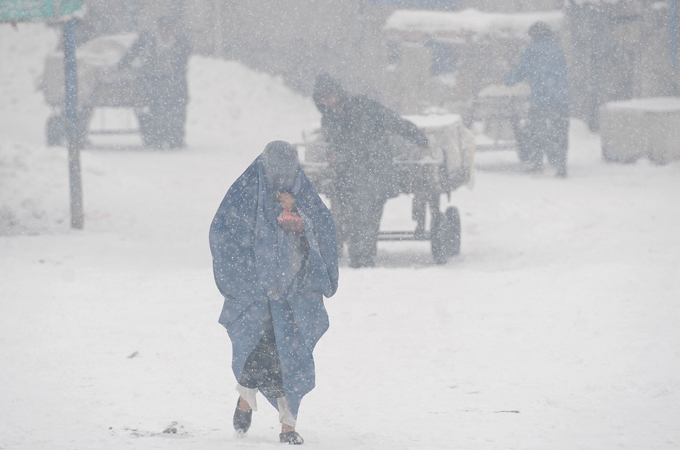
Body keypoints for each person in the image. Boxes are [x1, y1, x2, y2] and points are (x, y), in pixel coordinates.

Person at [209, 141, 339, 445]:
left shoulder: (301, 192)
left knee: (290, 356)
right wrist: (248, 272)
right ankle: (250, 399)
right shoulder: (244, 192)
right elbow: (223, 233)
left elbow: (324, 228)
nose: (282, 176)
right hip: (255, 294)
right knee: (261, 351)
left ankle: (285, 423)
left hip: (295, 293)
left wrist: (298, 215)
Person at [312, 74, 428, 267]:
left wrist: (418, 137)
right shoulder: (328, 119)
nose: (327, 101)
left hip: (375, 170)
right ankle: (358, 256)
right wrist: (332, 153)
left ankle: (364, 258)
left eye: (329, 95)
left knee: (369, 216)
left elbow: (393, 121)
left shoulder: (364, 107)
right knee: (350, 217)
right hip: (348, 176)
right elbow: (333, 142)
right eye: (322, 98)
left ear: (338, 93)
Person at [505, 21, 570, 177]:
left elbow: (522, 71)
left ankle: (538, 164)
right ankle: (561, 167)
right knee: (560, 132)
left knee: (536, 131)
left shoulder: (531, 50)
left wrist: (507, 80)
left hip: (541, 99)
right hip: (561, 99)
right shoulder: (557, 50)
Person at [118, 16, 190, 149]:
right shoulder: (147, 40)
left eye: (169, 29)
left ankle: (175, 138)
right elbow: (132, 52)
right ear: (159, 28)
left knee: (176, 112)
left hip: (174, 83)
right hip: (153, 82)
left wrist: (173, 74)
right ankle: (155, 138)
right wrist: (121, 66)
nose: (166, 32)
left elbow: (182, 62)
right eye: (164, 29)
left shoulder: (181, 42)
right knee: (155, 111)